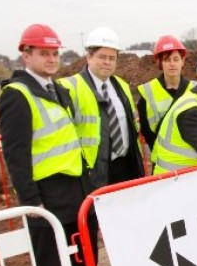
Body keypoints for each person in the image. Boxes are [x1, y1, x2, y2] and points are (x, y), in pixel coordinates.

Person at [0, 24, 93, 266]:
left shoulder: (58, 90)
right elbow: (16, 154)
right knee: (50, 264)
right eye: (44, 53)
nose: (52, 59)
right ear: (26, 55)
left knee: (78, 257)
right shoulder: (17, 95)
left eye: (54, 53)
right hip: (46, 195)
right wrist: (32, 202)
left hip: (73, 189)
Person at [58, 26, 145, 190]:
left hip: (126, 165)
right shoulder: (70, 88)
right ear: (88, 57)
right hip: (94, 172)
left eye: (112, 58)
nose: (107, 62)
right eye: (102, 57)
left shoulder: (122, 86)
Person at [137, 35, 195, 149]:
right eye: (166, 60)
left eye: (176, 59)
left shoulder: (195, 89)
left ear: (182, 61)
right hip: (161, 159)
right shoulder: (148, 92)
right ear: (160, 63)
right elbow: (146, 130)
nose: (172, 64)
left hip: (191, 157)